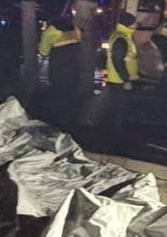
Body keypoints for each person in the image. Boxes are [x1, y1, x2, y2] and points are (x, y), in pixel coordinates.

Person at [90, 9, 139, 148]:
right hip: (119, 81)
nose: (136, 26)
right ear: (129, 24)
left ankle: (111, 134)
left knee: (115, 108)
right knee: (119, 110)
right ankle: (115, 138)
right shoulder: (122, 38)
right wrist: (126, 79)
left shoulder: (121, 35)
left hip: (118, 80)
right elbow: (118, 60)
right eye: (134, 23)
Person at [38, 12, 81, 122]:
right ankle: (71, 114)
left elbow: (43, 51)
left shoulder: (50, 31)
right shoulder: (73, 27)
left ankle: (58, 115)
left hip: (59, 59)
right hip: (74, 58)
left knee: (58, 87)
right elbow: (80, 39)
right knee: (71, 87)